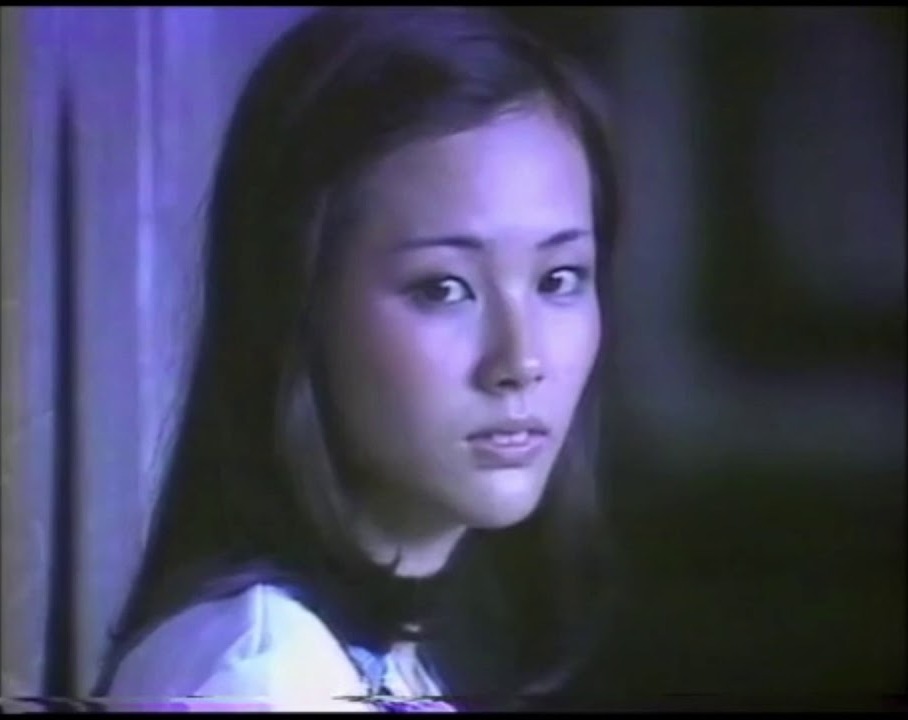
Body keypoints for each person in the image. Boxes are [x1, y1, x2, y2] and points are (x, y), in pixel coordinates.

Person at [93, 6, 619, 712]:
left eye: (558, 279)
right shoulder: (264, 683)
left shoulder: (369, 656)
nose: (521, 360)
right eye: (444, 288)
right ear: (297, 298)